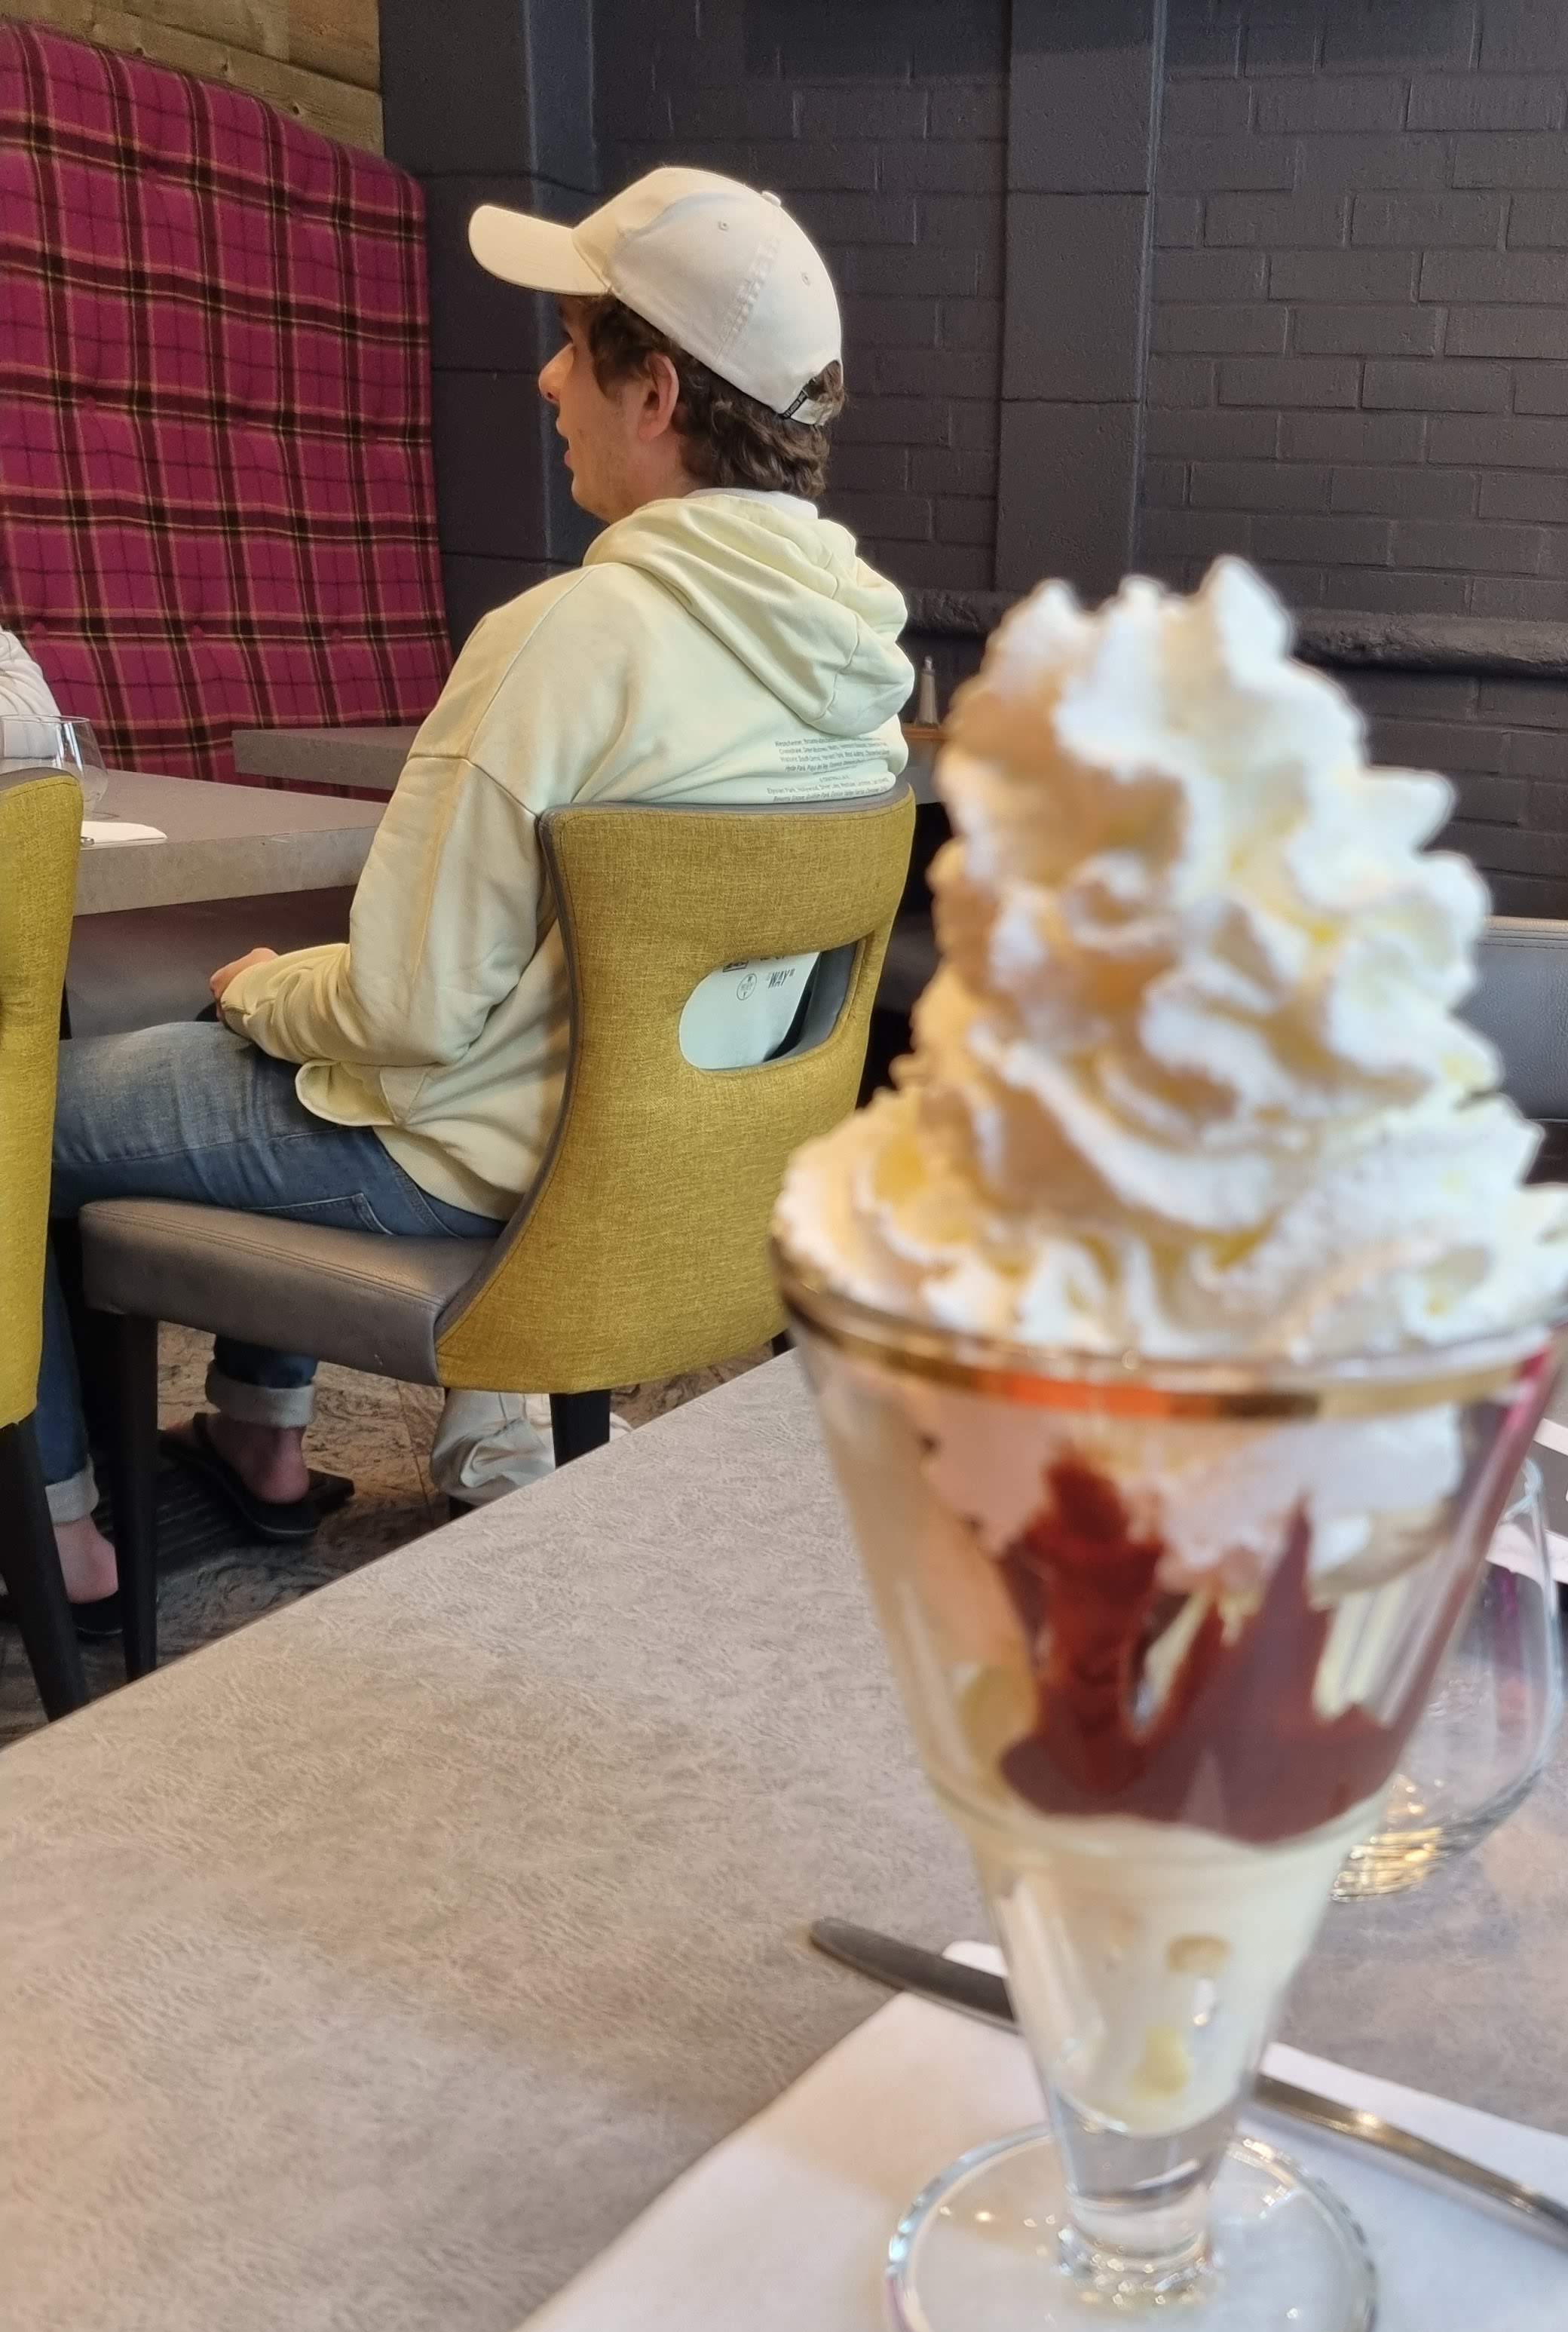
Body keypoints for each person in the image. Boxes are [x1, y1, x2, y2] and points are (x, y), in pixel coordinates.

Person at [35, 168, 911, 1607]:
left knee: (43, 1099)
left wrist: (262, 995)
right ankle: (256, 1441)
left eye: (574, 346)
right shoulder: (865, 681)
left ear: (656, 395)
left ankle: (59, 1536)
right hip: (671, 1176)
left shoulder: (568, 637)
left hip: (466, 1160)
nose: (547, 379)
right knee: (275, 1024)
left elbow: (406, 1013)